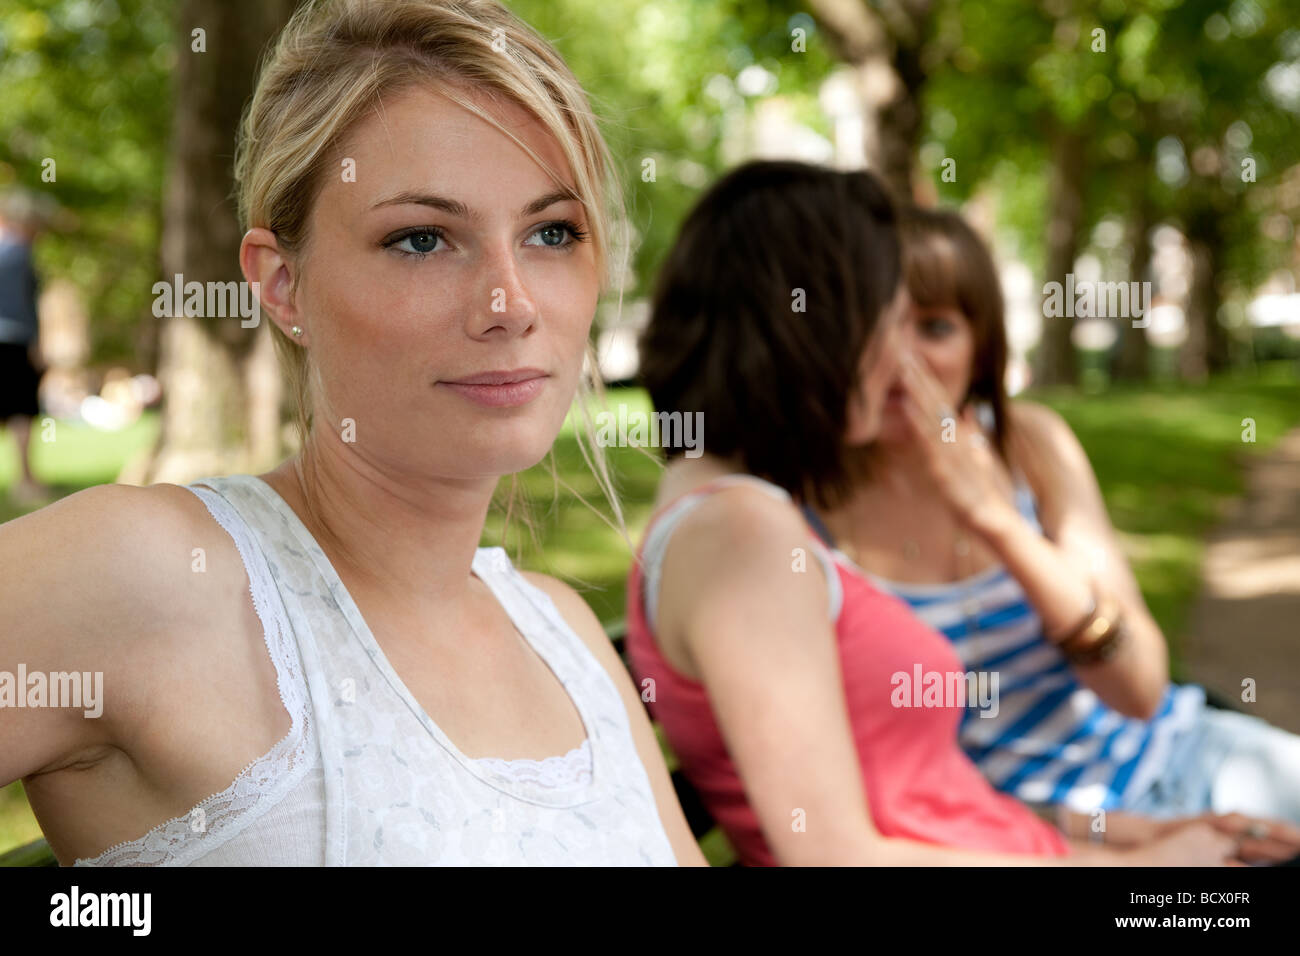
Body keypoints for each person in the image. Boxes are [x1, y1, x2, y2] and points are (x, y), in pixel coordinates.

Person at [0, 0, 703, 866]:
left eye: (551, 233)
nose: (511, 304)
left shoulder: (564, 634)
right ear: (283, 284)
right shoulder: (157, 577)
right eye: (421, 239)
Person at [625, 158, 1250, 866]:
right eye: (891, 324)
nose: (900, 361)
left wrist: (1135, 838)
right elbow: (835, 856)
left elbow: (922, 796)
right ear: (821, 327)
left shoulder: (732, 514)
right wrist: (1149, 875)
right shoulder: (743, 530)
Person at [812, 204, 1300, 853]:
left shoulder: (1030, 444)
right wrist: (1134, 841)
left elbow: (1141, 691)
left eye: (934, 327)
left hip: (1189, 756)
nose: (904, 359)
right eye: (878, 325)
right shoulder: (806, 524)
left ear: (980, 348)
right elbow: (891, 797)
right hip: (1045, 839)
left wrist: (1000, 525)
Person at [0, 190, 51, 504]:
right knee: (21, 411)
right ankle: (26, 481)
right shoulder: (20, 255)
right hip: (14, 341)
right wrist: (36, 345)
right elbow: (23, 306)